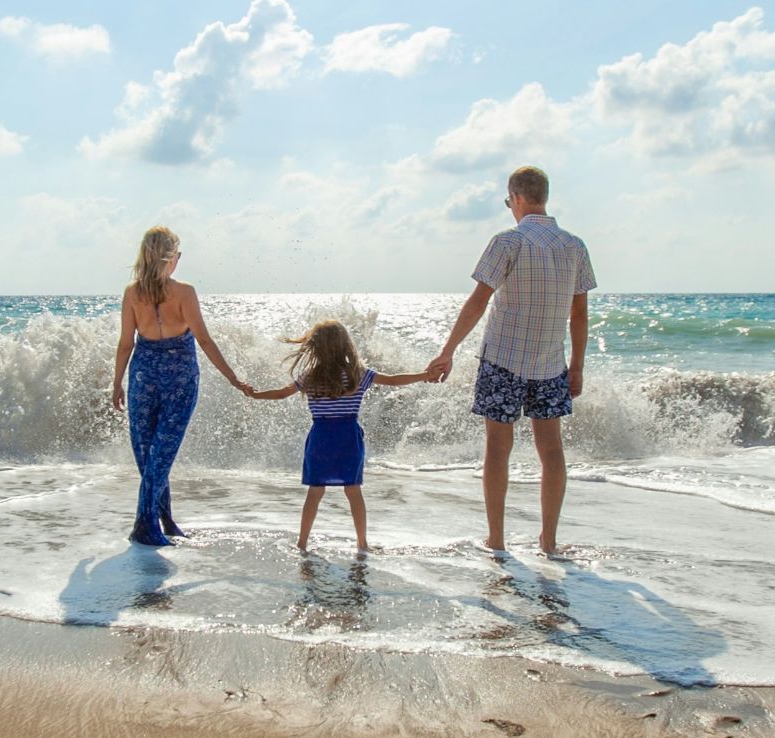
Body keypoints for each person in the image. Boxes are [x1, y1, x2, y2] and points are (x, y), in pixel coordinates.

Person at [426, 166, 596, 557]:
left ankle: (497, 540)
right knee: (551, 451)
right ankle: (548, 541)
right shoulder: (574, 246)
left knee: (498, 449)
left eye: (508, 201)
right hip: (551, 364)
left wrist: (448, 350)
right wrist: (578, 366)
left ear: (516, 198)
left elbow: (478, 302)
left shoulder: (508, 242)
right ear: (544, 197)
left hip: (502, 360)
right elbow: (580, 315)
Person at [110, 226, 251, 546]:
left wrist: (117, 382)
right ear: (172, 258)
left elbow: (125, 344)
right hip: (180, 379)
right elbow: (203, 339)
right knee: (159, 455)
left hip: (143, 376)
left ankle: (163, 520)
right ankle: (146, 525)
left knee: (151, 455)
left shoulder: (133, 293)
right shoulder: (184, 292)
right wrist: (232, 377)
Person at [243, 319, 432, 554]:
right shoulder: (358, 374)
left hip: (321, 437)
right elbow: (393, 380)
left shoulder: (309, 376)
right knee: (353, 490)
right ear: (345, 345)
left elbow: (282, 394)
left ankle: (302, 543)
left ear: (316, 348)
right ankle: (362, 544)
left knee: (315, 491)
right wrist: (425, 375)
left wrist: (256, 395)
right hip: (348, 437)